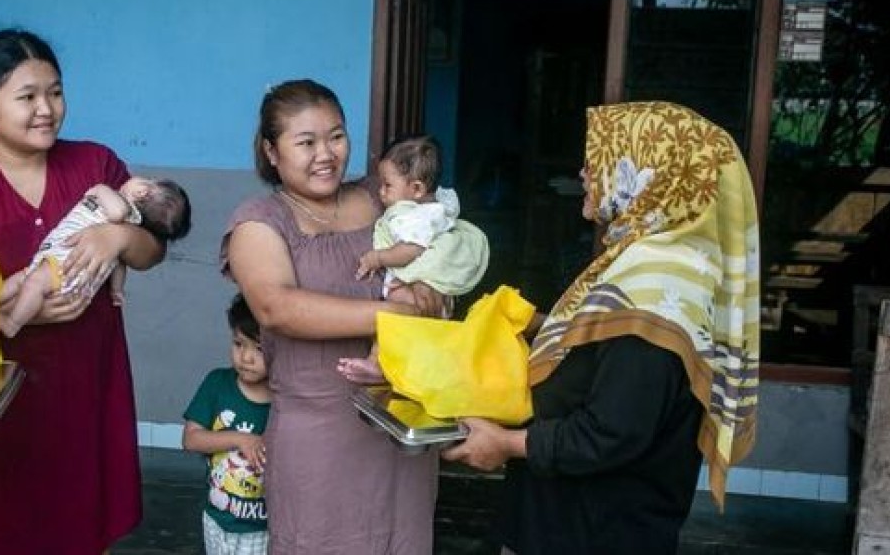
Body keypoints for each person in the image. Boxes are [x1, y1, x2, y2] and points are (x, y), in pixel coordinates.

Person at [443, 101, 761, 555]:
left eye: (601, 160)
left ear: (651, 174)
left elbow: (614, 430)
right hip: (574, 517)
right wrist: (535, 326)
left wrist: (507, 444)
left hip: (592, 528)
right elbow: (604, 358)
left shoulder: (655, 290)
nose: (586, 172)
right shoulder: (653, 264)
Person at [0, 29, 166, 554]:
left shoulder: (95, 166)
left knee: (77, 528)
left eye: (55, 92)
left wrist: (118, 236)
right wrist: (19, 308)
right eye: (27, 97)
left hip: (83, 388)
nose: (46, 109)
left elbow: (152, 252)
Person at [222, 78, 443, 554]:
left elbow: (439, 250)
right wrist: (395, 313)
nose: (325, 153)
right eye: (306, 142)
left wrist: (433, 295)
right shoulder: (260, 219)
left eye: (336, 136)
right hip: (318, 435)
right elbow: (275, 307)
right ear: (271, 150)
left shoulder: (383, 196)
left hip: (399, 422)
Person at [338, 133, 490, 383]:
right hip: (437, 294)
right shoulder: (432, 208)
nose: (382, 193)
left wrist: (377, 258)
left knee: (391, 317)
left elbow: (411, 249)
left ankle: (378, 362)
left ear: (417, 188)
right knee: (421, 333)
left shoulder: (413, 218)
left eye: (388, 186)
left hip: (415, 288)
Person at [0, 176, 191, 337]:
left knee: (32, 284)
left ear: (143, 191)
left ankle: (12, 324)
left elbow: (117, 213)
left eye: (148, 179)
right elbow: (119, 264)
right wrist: (117, 289)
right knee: (21, 282)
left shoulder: (121, 206)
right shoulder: (131, 223)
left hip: (64, 266)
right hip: (53, 262)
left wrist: (101, 189)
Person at [182, 293, 272, 555]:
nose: (246, 357)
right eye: (238, 344)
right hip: (216, 518)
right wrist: (241, 439)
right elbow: (191, 439)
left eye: (259, 348)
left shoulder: (285, 402)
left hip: (262, 529)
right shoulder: (217, 384)